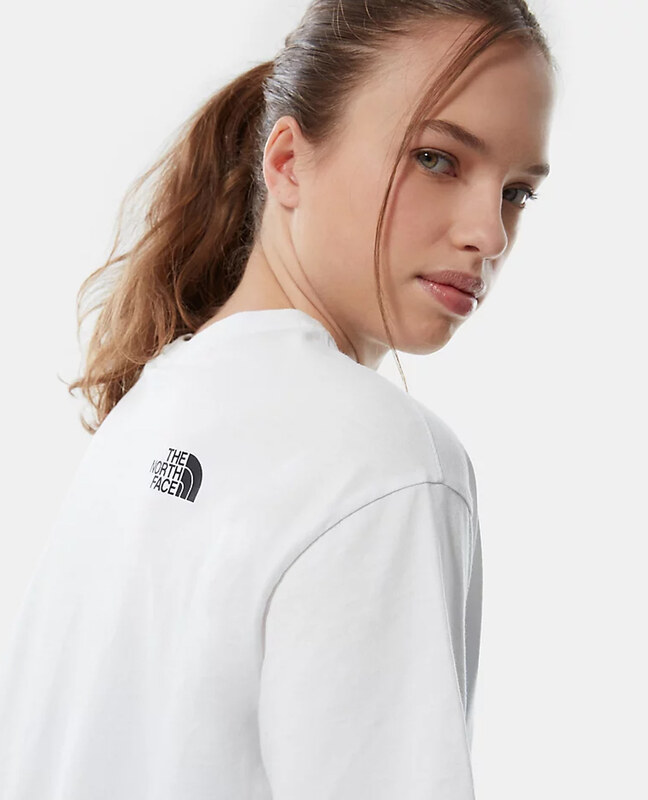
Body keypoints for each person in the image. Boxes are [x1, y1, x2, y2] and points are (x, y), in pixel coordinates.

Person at [0, 0, 555, 796]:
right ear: (290, 162)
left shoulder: (151, 404)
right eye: (437, 159)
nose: (489, 234)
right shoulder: (384, 461)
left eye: (517, 192)